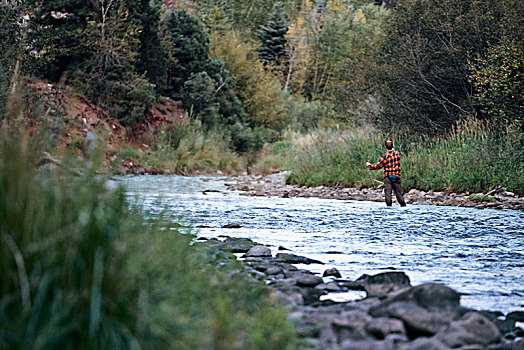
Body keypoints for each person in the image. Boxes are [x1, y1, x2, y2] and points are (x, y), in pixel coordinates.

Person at [366, 140, 406, 207]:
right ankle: (403, 207)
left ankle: (389, 208)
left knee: (388, 194)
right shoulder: (397, 154)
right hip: (397, 176)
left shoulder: (385, 156)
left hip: (388, 177)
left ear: (385, 147)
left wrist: (369, 165)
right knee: (399, 194)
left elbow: (378, 166)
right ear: (393, 146)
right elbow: (394, 152)